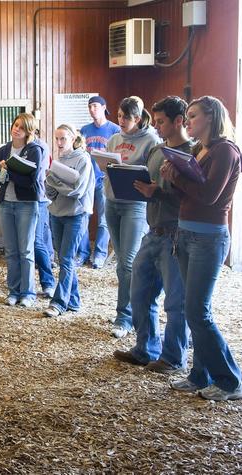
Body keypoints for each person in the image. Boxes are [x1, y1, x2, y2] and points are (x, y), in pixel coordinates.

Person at [161, 96, 242, 401]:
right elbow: (185, 194)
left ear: (210, 117)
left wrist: (178, 178)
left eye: (193, 116)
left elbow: (209, 196)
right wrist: (172, 177)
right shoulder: (200, 149)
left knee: (198, 311)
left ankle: (230, 380)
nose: (188, 121)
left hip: (208, 237)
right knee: (192, 310)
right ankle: (200, 374)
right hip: (186, 232)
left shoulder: (226, 151)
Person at [113, 96, 191, 374]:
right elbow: (149, 184)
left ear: (178, 120)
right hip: (152, 229)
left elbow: (193, 197)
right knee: (139, 292)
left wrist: (156, 192)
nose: (155, 126)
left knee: (175, 301)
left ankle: (173, 357)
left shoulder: (192, 153)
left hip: (176, 234)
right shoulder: (157, 150)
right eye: (154, 121)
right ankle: (145, 348)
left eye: (160, 122)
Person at [104, 96, 161, 338]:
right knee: (121, 264)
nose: (121, 121)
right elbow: (107, 165)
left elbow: (153, 172)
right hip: (112, 201)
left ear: (137, 118)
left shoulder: (150, 140)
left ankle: (124, 317)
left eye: (125, 118)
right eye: (118, 116)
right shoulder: (115, 139)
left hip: (134, 205)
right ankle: (126, 310)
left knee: (128, 263)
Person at [0, 113, 48, 307]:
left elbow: (30, 181)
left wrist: (11, 171)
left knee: (26, 250)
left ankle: (28, 293)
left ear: (28, 132)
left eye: (21, 128)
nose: (16, 129)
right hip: (5, 203)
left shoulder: (34, 150)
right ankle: (13, 291)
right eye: (15, 125)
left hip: (27, 204)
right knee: (11, 251)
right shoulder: (4, 149)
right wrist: (3, 170)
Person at [42, 125, 95, 317]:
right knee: (63, 258)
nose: (59, 143)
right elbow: (51, 193)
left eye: (63, 138)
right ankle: (74, 300)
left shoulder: (83, 159)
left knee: (66, 258)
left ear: (73, 139)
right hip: (56, 213)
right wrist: (50, 181)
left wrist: (55, 182)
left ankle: (58, 303)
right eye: (56, 139)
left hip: (76, 215)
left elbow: (77, 191)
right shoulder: (59, 161)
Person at [77, 96, 121, 268]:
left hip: (105, 179)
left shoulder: (115, 130)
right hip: (87, 179)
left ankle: (100, 254)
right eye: (89, 106)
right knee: (83, 217)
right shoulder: (85, 130)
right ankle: (83, 253)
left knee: (104, 219)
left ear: (103, 107)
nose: (92, 109)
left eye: (95, 106)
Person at [34, 140, 56, 298]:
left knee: (37, 241)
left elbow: (41, 173)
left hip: (39, 198)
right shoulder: (12, 147)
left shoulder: (41, 147)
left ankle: (48, 282)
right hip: (20, 200)